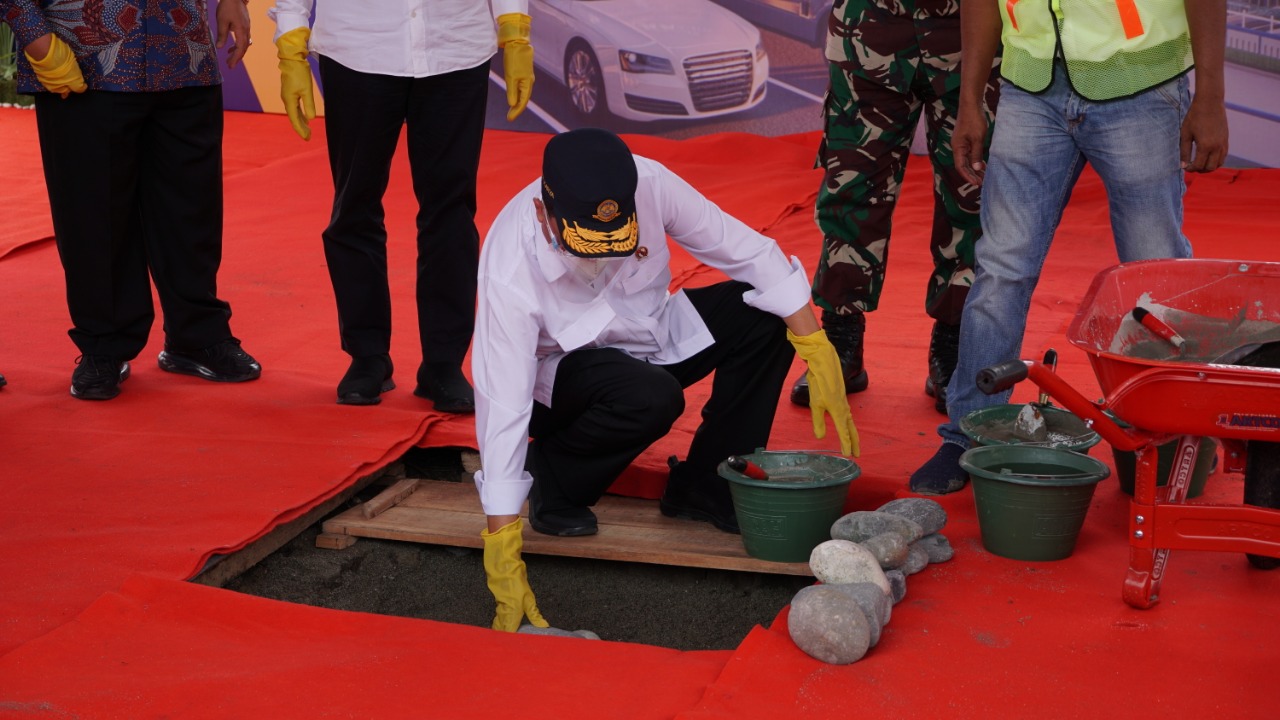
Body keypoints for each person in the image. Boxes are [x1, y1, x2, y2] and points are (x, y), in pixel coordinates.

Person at [472, 128, 859, 631]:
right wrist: (502, 549)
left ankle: (707, 486)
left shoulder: (650, 183)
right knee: (650, 396)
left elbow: (748, 251)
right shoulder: (509, 267)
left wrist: (815, 346)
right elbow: (502, 402)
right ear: (543, 214)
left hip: (649, 336)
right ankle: (557, 482)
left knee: (766, 315)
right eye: (586, 246)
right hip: (562, 376)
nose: (601, 256)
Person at [909, 0, 1229, 494]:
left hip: (1141, 87)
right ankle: (967, 432)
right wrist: (970, 99)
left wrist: (1210, 95)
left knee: (1155, 273)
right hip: (1029, 89)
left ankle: (1177, 435)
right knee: (1000, 267)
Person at [268, 1, 535, 411]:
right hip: (358, 49)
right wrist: (291, 42)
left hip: (456, 47)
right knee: (355, 206)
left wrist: (514, 30)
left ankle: (444, 363)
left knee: (451, 210)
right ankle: (367, 355)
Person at [3, 0, 261, 401]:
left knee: (192, 210)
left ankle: (197, 336)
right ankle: (104, 345)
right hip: (82, 57)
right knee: (93, 214)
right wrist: (36, 38)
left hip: (184, 52)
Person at [791, 0, 1000, 417]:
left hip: (969, 38)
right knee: (851, 190)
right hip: (868, 31)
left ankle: (952, 343)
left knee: (971, 197)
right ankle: (841, 340)